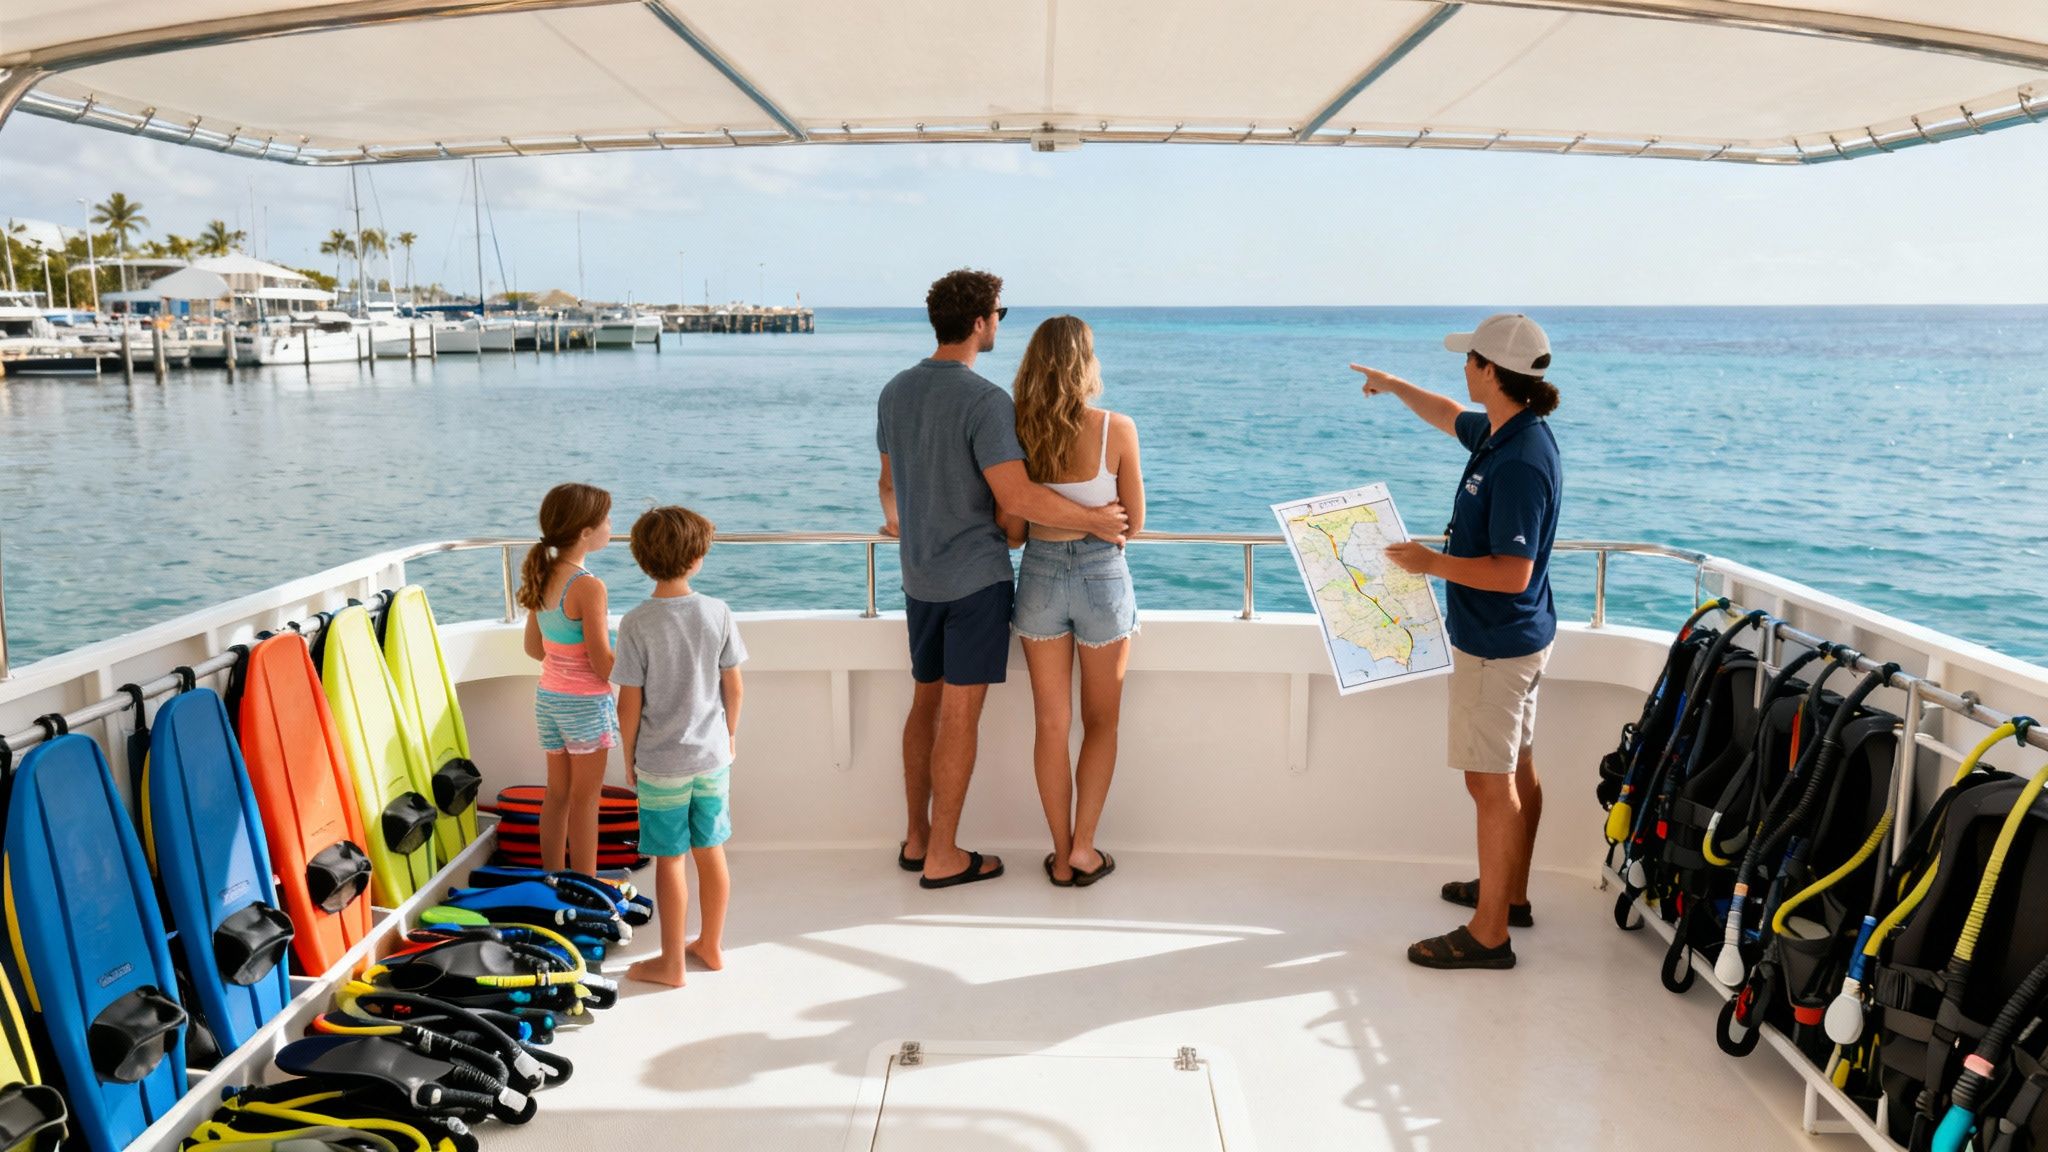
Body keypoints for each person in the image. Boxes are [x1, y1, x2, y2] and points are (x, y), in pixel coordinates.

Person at [877, 269, 1129, 890]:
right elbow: (1018, 498)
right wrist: (1096, 519)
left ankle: (917, 838)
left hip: (919, 575)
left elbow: (889, 485)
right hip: (973, 582)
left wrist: (902, 524)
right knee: (959, 716)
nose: (999, 324)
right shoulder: (984, 401)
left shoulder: (895, 391)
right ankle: (943, 856)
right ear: (981, 322)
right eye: (999, 314)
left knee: (924, 705)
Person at [1350, 313, 1563, 971]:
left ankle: (1489, 932)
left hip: (1497, 643)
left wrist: (1428, 563)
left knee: (1488, 781)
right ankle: (1512, 895)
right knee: (1516, 768)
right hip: (1518, 636)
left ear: (1491, 372)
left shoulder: (1522, 461)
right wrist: (1391, 385)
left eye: (1469, 360)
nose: (1462, 370)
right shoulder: (1503, 431)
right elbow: (1445, 413)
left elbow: (1512, 571)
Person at [999, 316, 1144, 887]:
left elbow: (1011, 528)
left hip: (1037, 573)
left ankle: (1059, 854)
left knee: (1050, 724)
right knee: (1101, 722)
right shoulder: (1116, 428)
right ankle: (1085, 849)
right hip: (1101, 576)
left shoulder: (1016, 433)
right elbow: (1135, 523)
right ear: (1086, 363)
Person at [612, 505, 745, 987]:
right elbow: (734, 687)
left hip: (662, 763)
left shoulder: (637, 622)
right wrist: (728, 735)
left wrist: (627, 755)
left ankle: (671, 963)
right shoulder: (718, 612)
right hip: (711, 756)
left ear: (643, 559)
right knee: (711, 850)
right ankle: (711, 945)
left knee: (670, 859)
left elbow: (630, 702)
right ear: (697, 558)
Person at [517, 482, 618, 876]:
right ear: (585, 533)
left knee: (557, 794)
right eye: (606, 520)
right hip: (586, 706)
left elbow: (534, 648)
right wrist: (638, 674)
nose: (612, 526)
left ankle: (553, 877)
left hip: (550, 699)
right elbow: (601, 662)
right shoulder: (588, 586)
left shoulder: (541, 574)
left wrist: (564, 659)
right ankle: (586, 884)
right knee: (586, 799)